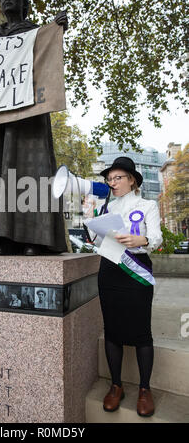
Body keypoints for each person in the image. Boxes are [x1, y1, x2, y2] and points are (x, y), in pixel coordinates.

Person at [0, 0, 68, 256]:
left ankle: (34, 238)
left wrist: (56, 31)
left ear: (24, 1)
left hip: (29, 116)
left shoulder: (38, 33)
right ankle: (0, 236)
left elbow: (47, 65)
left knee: (31, 172)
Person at [94, 157, 162, 417]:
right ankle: (116, 385)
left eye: (117, 178)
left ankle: (145, 389)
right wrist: (93, 220)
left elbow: (155, 238)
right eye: (109, 179)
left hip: (136, 270)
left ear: (132, 179)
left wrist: (139, 239)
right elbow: (97, 238)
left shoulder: (148, 205)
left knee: (142, 330)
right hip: (109, 269)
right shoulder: (105, 206)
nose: (112, 183)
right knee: (112, 330)